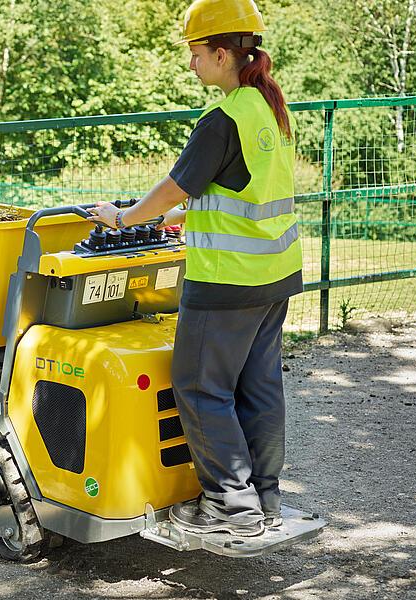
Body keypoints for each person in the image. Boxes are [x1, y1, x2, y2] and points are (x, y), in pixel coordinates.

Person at [87, 0, 301, 537]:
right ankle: (265, 496)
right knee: (259, 386)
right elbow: (241, 188)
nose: (192, 65)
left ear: (223, 54)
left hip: (227, 279)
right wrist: (181, 218)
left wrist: (124, 217)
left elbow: (174, 186)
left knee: (199, 386)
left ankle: (230, 503)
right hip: (274, 275)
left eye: (196, 54)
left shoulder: (220, 120)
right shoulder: (267, 107)